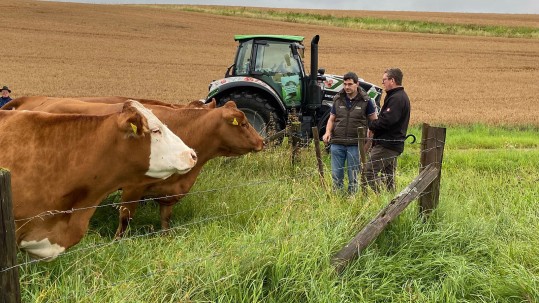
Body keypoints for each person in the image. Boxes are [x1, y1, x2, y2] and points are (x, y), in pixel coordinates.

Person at [323, 72, 378, 194]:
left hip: (355, 145)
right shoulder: (338, 99)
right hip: (337, 143)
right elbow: (331, 119)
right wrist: (327, 132)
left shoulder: (366, 101)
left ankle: (352, 199)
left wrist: (368, 143)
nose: (347, 87)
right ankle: (337, 199)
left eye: (350, 84)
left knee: (353, 176)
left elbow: (374, 122)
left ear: (357, 84)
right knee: (336, 175)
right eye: (345, 84)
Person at [364, 68, 411, 192]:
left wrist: (372, 125)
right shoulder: (396, 96)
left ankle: (382, 198)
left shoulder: (397, 98)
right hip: (392, 143)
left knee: (368, 172)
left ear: (392, 80)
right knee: (388, 177)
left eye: (384, 80)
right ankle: (391, 201)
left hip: (387, 144)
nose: (382, 82)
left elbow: (387, 121)